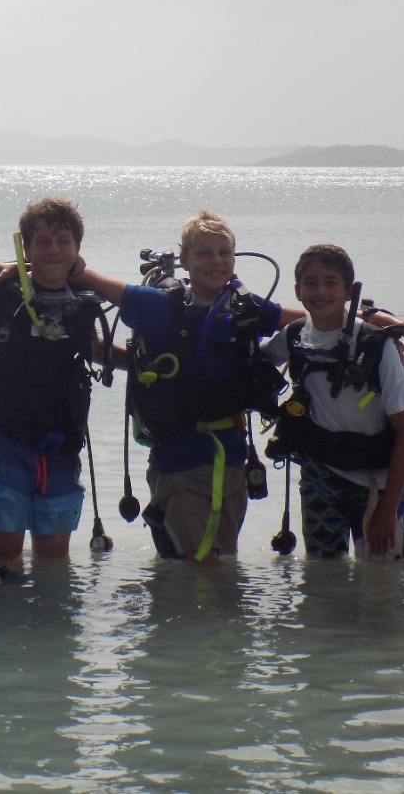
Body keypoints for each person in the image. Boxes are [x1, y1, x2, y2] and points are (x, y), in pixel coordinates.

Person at [69, 211, 295, 561]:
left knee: (224, 568)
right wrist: (61, 271)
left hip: (232, 463)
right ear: (185, 260)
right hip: (178, 464)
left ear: (234, 259)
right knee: (201, 566)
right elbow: (87, 278)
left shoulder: (245, 309)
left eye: (224, 253)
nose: (216, 261)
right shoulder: (159, 305)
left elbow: (314, 318)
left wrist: (368, 319)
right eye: (205, 253)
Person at [0, 197, 109, 568]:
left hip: (60, 444)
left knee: (54, 564)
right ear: (25, 248)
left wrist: (149, 363)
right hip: (0, 441)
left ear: (77, 249)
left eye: (63, 241)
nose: (54, 250)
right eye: (43, 241)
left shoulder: (84, 303)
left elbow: (95, 349)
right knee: (4, 558)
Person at [261, 244, 404, 559]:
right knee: (323, 577)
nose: (320, 291)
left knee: (381, 580)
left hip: (378, 479)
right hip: (321, 473)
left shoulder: (377, 346)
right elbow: (252, 361)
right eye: (311, 283)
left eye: (331, 282)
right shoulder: (293, 336)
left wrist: (388, 510)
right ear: (297, 290)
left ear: (349, 291)